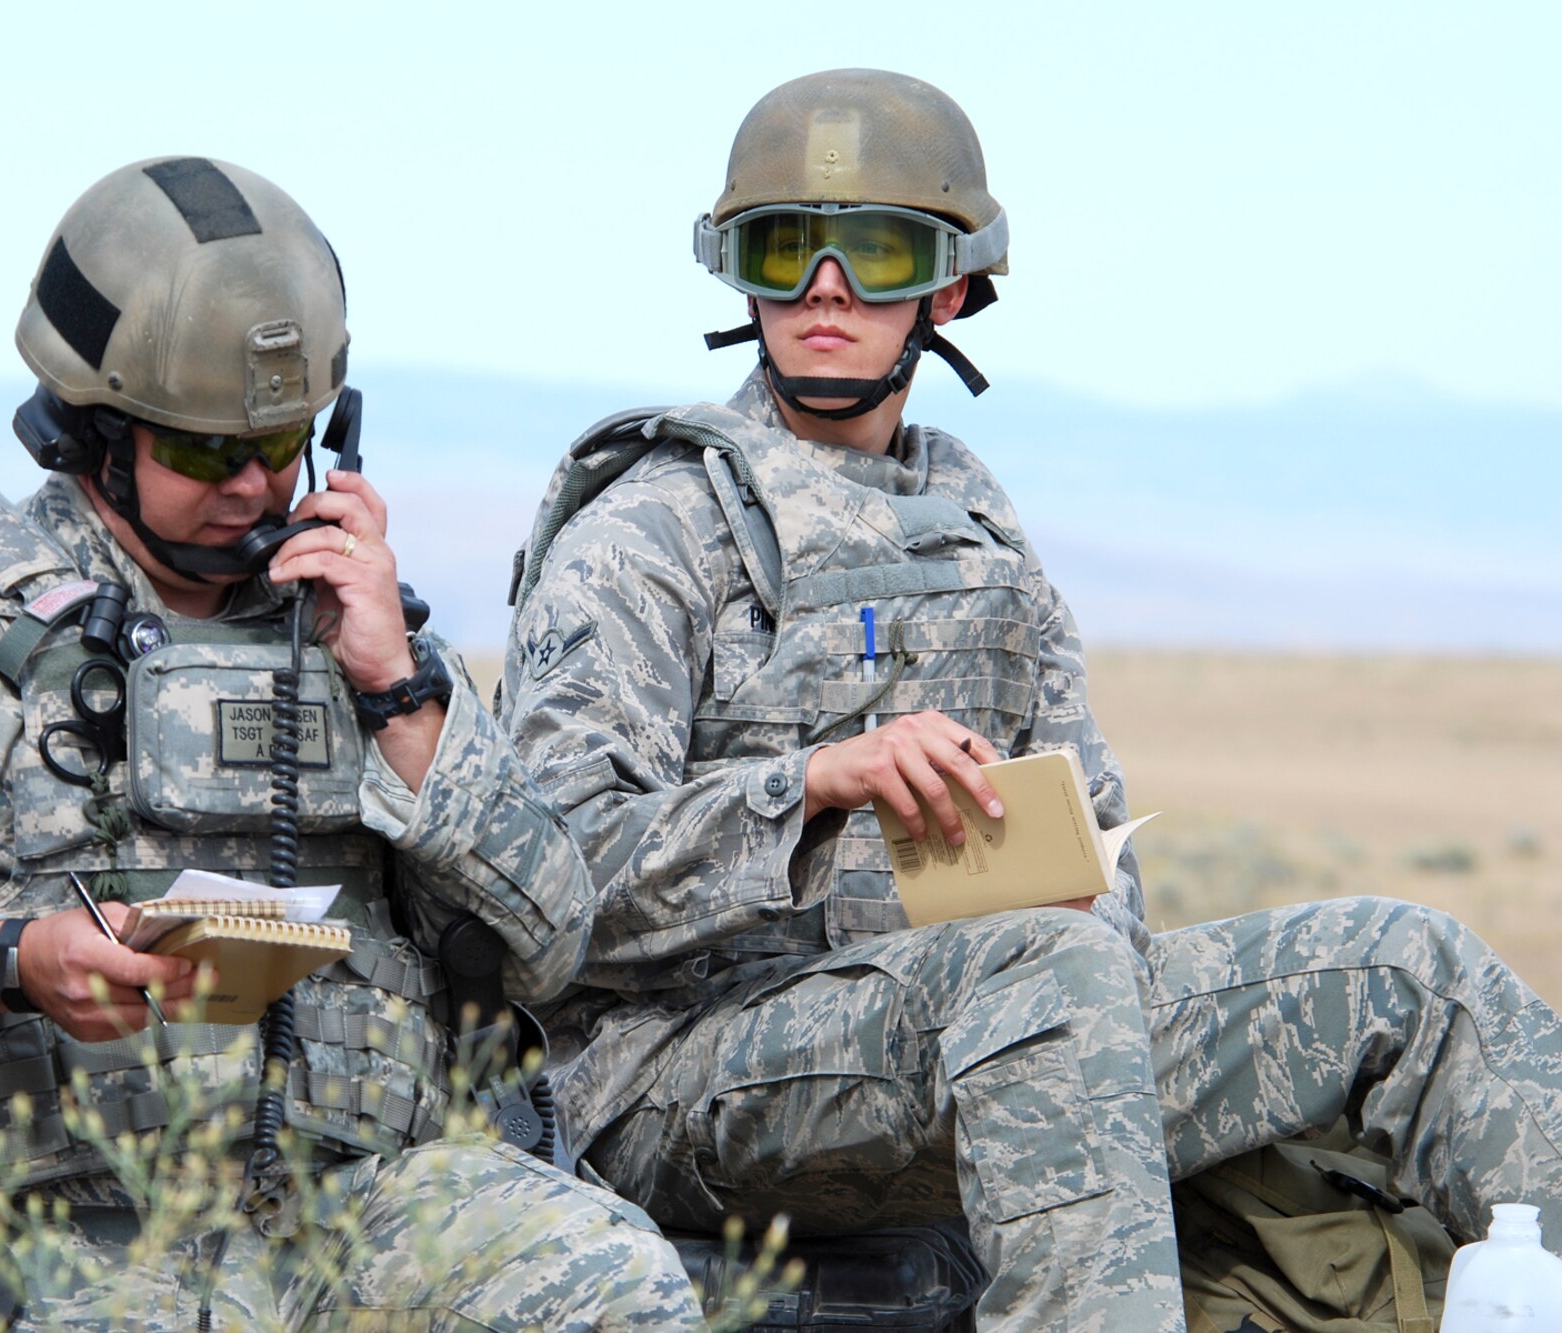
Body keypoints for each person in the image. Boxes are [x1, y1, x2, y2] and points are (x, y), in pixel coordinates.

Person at [498, 69, 1562, 1331]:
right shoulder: (651, 529)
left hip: (997, 1017)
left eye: (871, 250)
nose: (823, 288)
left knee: (1408, 972)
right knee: (1046, 974)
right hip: (680, 1075)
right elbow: (544, 889)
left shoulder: (979, 534)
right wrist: (809, 789)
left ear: (946, 287)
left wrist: (1084, 897)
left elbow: (1094, 838)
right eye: (785, 250)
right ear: (739, 273)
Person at [0, 156, 704, 1330]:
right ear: (95, 436)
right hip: (60, 1234)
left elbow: (550, 945)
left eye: (287, 441)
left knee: (614, 1282)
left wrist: (397, 691)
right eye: (209, 453)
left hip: (351, 1210)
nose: (257, 488)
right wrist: (12, 956)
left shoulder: (366, 635)